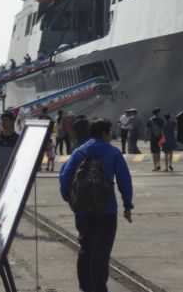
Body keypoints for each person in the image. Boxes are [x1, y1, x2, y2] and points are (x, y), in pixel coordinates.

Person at [59, 118, 134, 292]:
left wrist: (70, 199)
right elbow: (124, 180)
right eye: (110, 131)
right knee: (102, 251)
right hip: (106, 210)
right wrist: (127, 205)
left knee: (85, 248)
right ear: (105, 133)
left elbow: (65, 176)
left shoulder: (79, 152)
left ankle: (85, 286)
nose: (111, 134)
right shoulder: (113, 152)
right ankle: (99, 287)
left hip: (82, 210)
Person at [0, 112, 21, 185]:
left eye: (5, 120)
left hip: (13, 177)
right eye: (1, 120)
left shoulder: (18, 139)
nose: (3, 122)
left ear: (12, 122)